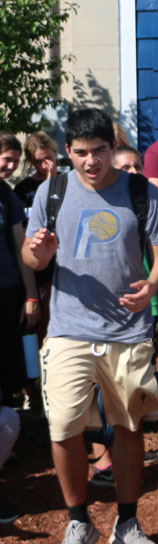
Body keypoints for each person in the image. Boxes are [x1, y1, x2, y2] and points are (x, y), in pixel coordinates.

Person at [22, 108, 158, 544]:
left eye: (101, 151)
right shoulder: (51, 192)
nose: (92, 161)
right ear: (68, 152)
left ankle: (126, 523)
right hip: (69, 330)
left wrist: (153, 285)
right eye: (82, 153)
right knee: (64, 426)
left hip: (129, 333)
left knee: (129, 427)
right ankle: (78, 521)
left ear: (114, 146)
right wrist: (41, 253)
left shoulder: (140, 191)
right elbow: (31, 260)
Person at [1, 134, 40, 407]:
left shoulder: (6, 194)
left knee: (7, 355)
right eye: (6, 160)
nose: (11, 167)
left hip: (7, 288)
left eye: (15, 162)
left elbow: (20, 246)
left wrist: (31, 294)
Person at [15, 132, 58, 213]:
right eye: (38, 161)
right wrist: (49, 184)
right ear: (31, 162)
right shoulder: (22, 188)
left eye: (48, 158)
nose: (44, 166)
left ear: (54, 152)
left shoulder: (69, 181)